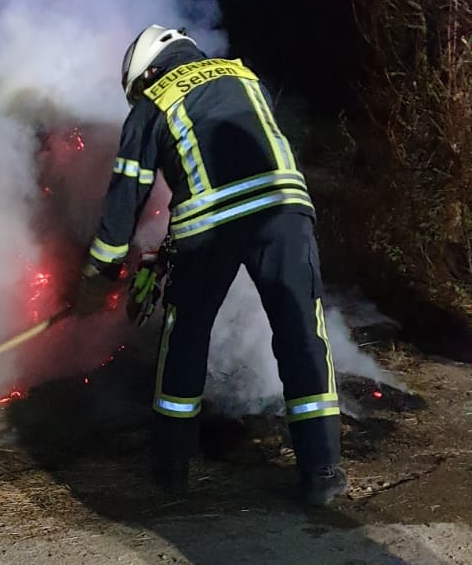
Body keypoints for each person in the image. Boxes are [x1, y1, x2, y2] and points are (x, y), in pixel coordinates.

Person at [74, 25, 348, 507]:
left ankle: (171, 470)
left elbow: (127, 191)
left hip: (210, 224)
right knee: (302, 334)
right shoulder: (243, 76)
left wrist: (102, 269)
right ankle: (322, 472)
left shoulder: (153, 100)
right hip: (285, 208)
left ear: (146, 72)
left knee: (186, 337)